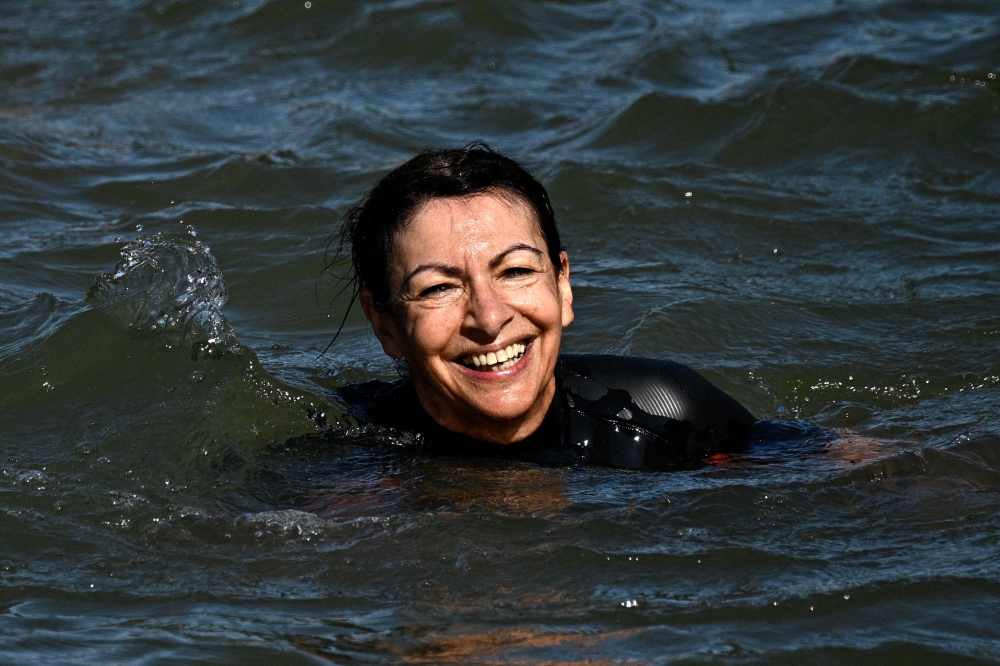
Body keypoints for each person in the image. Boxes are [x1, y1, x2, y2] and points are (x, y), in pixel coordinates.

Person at [332, 142, 755, 470]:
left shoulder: (667, 414)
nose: (490, 317)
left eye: (515, 271)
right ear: (384, 324)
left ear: (562, 284)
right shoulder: (351, 464)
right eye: (439, 288)